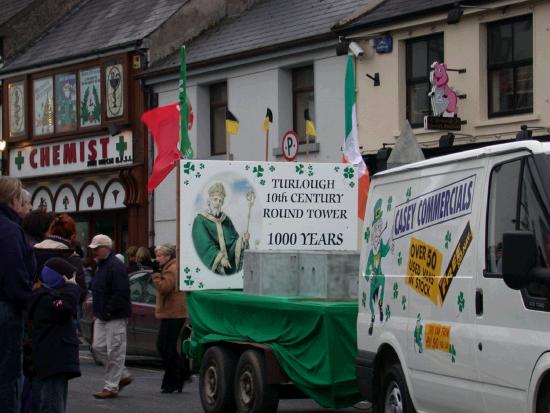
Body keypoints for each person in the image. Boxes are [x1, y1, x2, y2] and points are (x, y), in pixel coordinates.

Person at [27, 258, 81, 413]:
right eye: (69, 277)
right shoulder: (45, 299)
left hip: (55, 359)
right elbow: (67, 308)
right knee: (52, 405)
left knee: (55, 401)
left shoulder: (48, 297)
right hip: (52, 360)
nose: (71, 281)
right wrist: (72, 287)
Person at [0, 177, 35, 413]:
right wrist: (28, 301)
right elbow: (14, 273)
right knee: (8, 376)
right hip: (6, 309)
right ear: (13, 200)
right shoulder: (9, 229)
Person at [89, 234, 133, 399]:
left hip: (114, 315)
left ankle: (111, 386)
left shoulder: (115, 266)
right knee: (98, 347)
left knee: (114, 351)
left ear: (105, 248)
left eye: (96, 248)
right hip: (103, 314)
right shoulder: (104, 265)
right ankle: (121, 375)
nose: (93, 252)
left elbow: (121, 293)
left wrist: (106, 311)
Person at [152, 244, 189, 393]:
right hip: (171, 312)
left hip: (174, 313)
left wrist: (155, 274)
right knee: (166, 347)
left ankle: (176, 377)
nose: (157, 258)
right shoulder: (169, 268)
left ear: (168, 256)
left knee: (165, 346)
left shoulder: (172, 269)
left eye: (160, 255)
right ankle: (178, 376)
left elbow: (164, 288)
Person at [191, 182, 249, 275]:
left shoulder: (226, 220)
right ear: (208, 201)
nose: (217, 203)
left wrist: (242, 241)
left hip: (229, 266)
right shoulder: (200, 220)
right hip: (213, 267)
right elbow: (204, 244)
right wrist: (220, 258)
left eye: (220, 201)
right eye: (215, 199)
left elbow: (233, 241)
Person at [33, 214, 87, 303]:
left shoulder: (33, 250)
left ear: (50, 231)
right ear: (73, 236)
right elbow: (81, 293)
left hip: (36, 306)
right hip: (64, 309)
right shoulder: (71, 256)